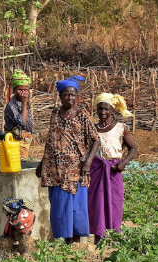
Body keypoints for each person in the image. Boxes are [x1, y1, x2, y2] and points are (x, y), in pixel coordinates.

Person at [35, 76, 100, 244]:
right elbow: (51, 141)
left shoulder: (81, 115)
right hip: (55, 170)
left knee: (76, 207)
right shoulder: (55, 114)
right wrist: (42, 163)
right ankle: (63, 240)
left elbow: (96, 140)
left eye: (73, 95)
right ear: (60, 96)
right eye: (66, 95)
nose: (70, 98)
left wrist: (87, 163)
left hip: (75, 170)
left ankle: (76, 240)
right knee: (58, 205)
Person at [89, 93, 138, 244]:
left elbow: (133, 148)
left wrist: (123, 163)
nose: (102, 112)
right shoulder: (92, 129)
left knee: (115, 202)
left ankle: (114, 235)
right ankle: (99, 236)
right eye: (99, 109)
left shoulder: (121, 128)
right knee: (96, 203)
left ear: (112, 110)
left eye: (106, 109)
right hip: (96, 170)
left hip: (113, 170)